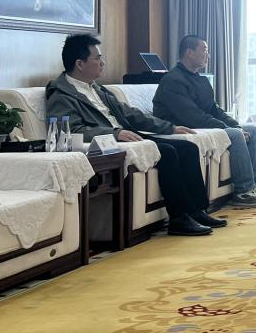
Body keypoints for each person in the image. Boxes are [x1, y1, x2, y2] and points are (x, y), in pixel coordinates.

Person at [45, 34, 221, 236]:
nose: (103, 63)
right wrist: (115, 133)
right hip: (111, 142)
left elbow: (131, 114)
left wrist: (170, 128)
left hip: (128, 136)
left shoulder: (98, 89)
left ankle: (197, 211)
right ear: (79, 64)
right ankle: (179, 218)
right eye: (98, 58)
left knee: (188, 147)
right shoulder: (61, 94)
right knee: (168, 152)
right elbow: (73, 130)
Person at [152, 35, 256, 209]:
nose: (208, 55)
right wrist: (229, 129)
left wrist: (234, 124)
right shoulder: (172, 80)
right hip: (185, 127)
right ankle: (243, 191)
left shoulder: (201, 80)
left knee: (253, 130)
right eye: (204, 50)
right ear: (189, 52)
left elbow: (214, 109)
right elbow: (192, 116)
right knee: (235, 134)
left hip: (202, 124)